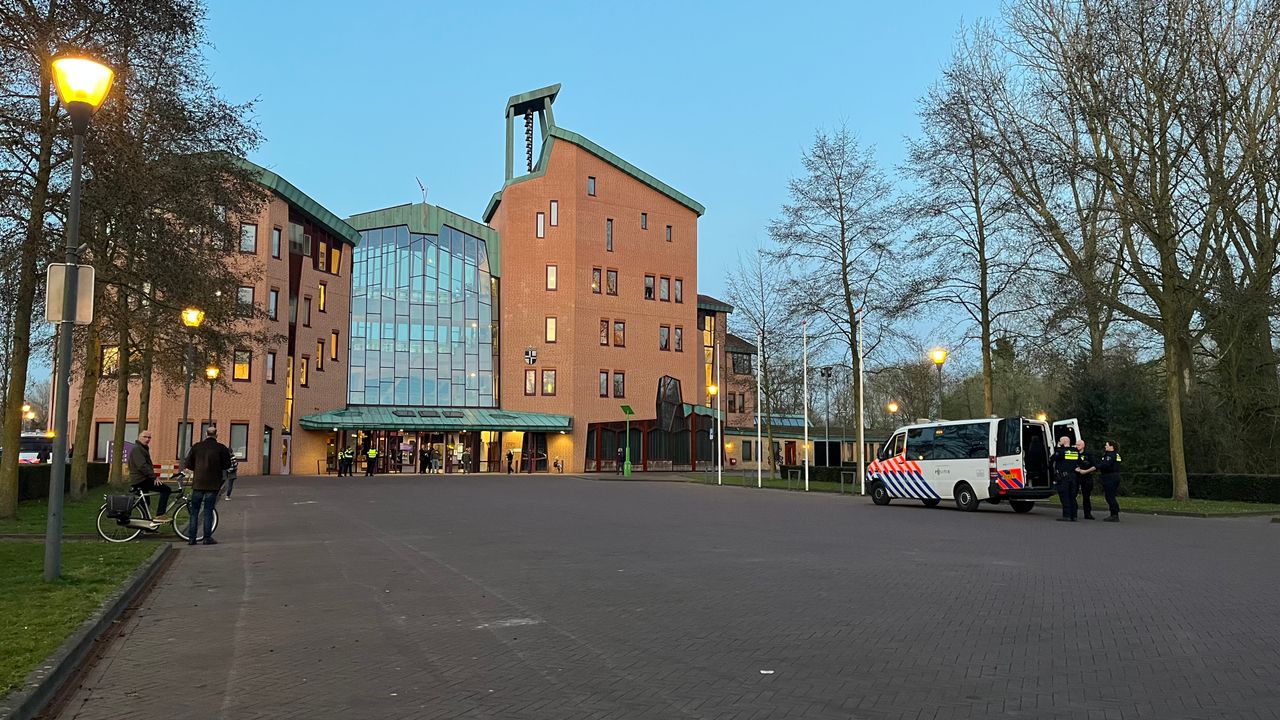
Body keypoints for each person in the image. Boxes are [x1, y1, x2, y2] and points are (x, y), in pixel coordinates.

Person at [183, 427, 232, 545]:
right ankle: (207, 537)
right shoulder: (221, 448)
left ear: (205, 434)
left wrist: (198, 469)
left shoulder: (196, 447)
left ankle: (192, 538)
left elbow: (188, 463)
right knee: (208, 510)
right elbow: (227, 465)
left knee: (194, 511)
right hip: (213, 484)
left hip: (198, 483)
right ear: (217, 435)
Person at [128, 430, 172, 522]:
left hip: (141, 479)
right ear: (139, 437)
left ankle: (146, 528)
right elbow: (142, 466)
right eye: (145, 437)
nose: (147, 439)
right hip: (141, 479)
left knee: (145, 504)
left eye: (149, 437)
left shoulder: (142, 448)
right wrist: (154, 477)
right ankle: (160, 515)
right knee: (166, 489)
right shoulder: (137, 449)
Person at [1051, 436, 1080, 522]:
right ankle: (1074, 516)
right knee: (1072, 496)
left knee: (1065, 496)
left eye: (1060, 440)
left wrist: (1058, 446)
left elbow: (1052, 458)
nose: (1059, 441)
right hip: (1073, 476)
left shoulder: (1060, 451)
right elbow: (1079, 462)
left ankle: (1066, 515)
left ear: (1063, 441)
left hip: (1064, 477)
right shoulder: (1075, 451)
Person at [1097, 440, 1124, 521]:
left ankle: (1114, 514)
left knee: (1110, 496)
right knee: (1110, 495)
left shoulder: (1110, 455)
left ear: (1111, 446)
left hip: (1110, 477)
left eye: (1107, 445)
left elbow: (1105, 465)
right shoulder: (1116, 455)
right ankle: (1114, 513)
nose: (1105, 446)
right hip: (1115, 476)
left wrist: (1096, 466)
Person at [1074, 439, 1098, 520]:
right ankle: (1073, 513)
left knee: (1086, 497)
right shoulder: (1074, 453)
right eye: (1076, 445)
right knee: (1073, 495)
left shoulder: (1089, 455)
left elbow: (1095, 466)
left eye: (1079, 445)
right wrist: (1075, 469)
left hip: (1086, 477)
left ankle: (1087, 514)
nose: (1077, 447)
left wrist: (1085, 471)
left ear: (1083, 445)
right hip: (1076, 477)